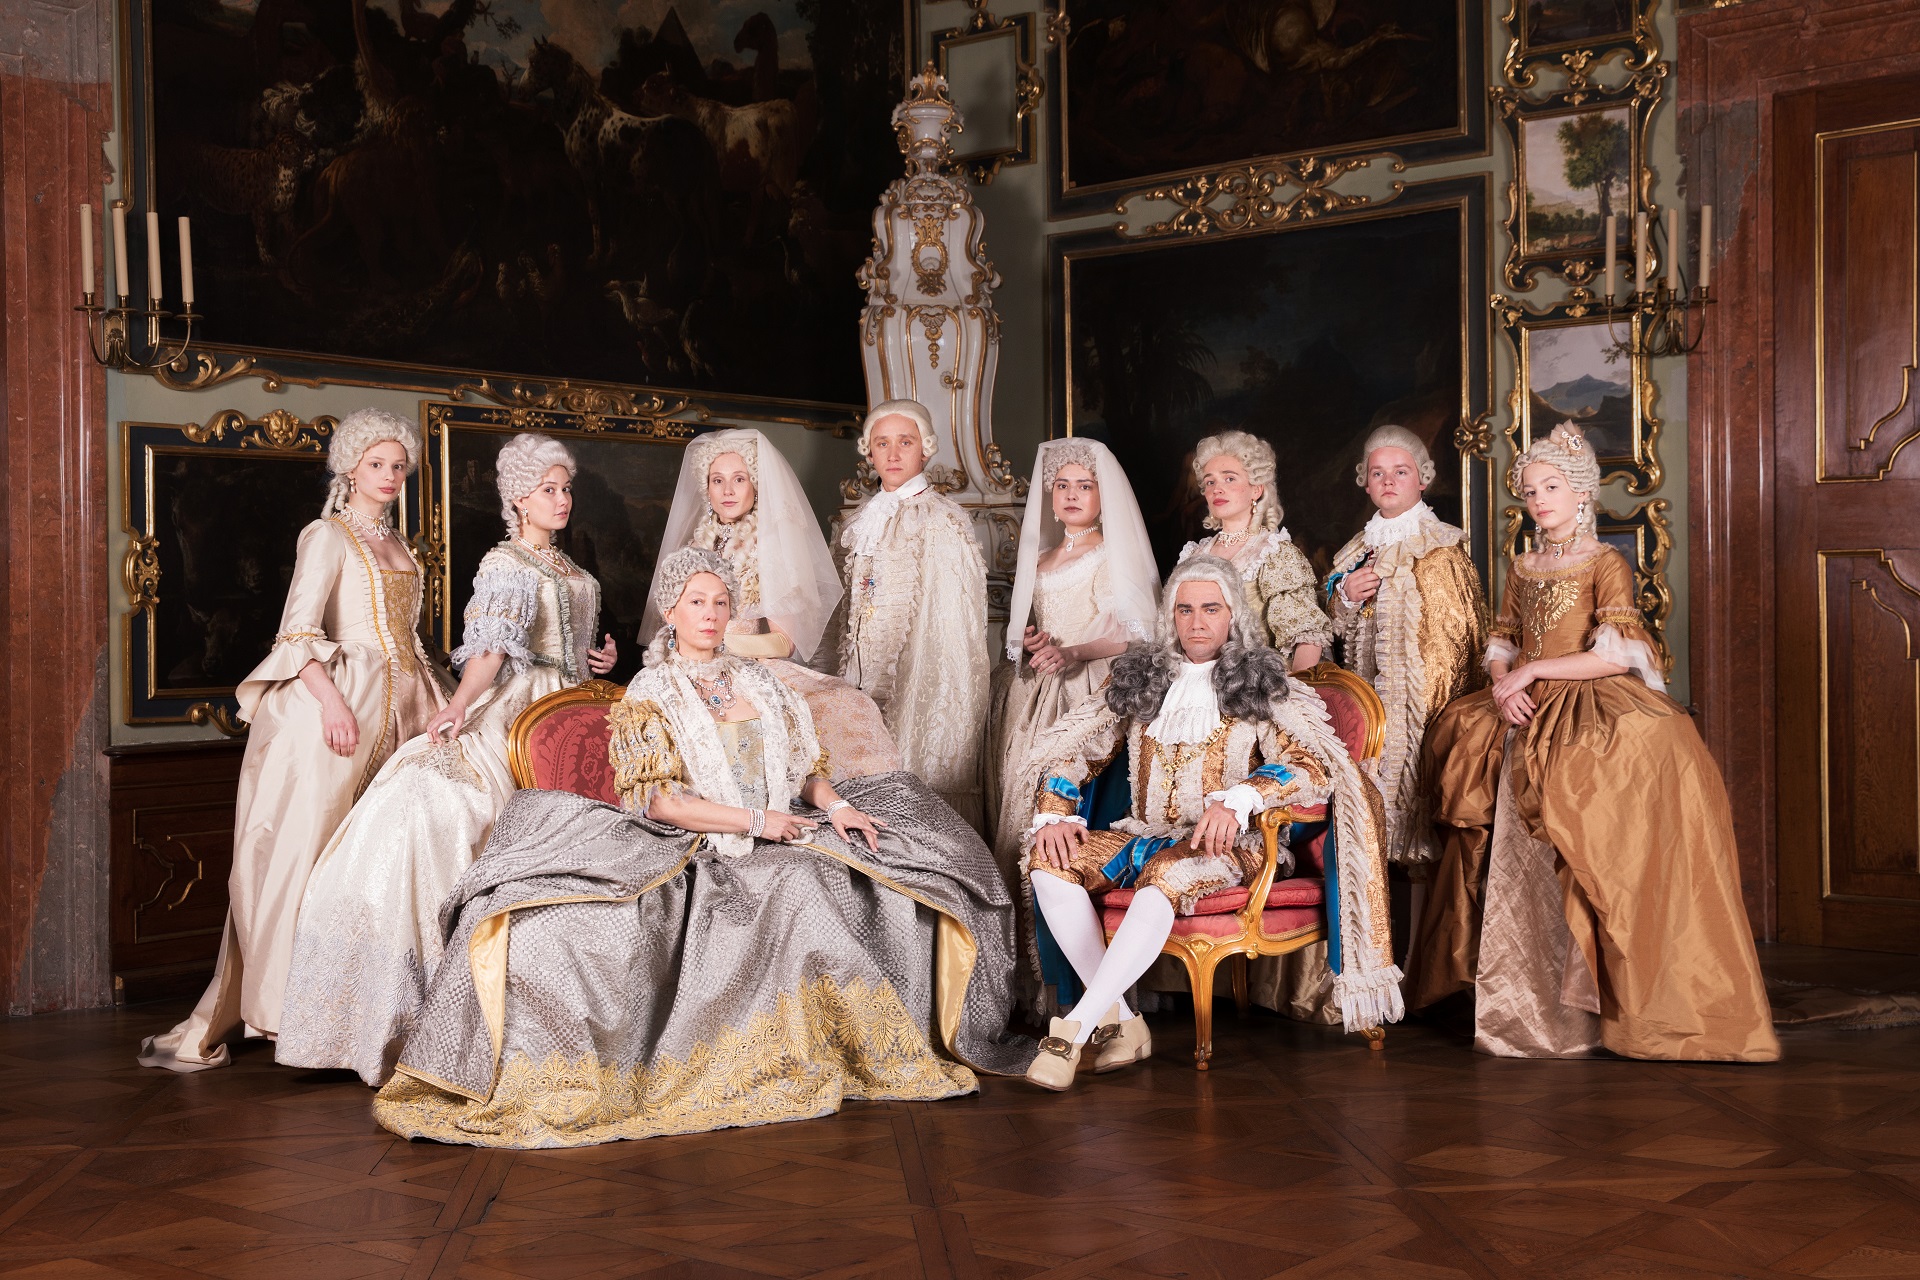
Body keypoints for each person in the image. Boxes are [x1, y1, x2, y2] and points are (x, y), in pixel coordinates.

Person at [371, 549, 1033, 1147]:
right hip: (696, 841)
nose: (711, 614)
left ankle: (863, 1044)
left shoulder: (764, 683)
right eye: (696, 601)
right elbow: (661, 801)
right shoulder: (651, 692)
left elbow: (805, 767)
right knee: (784, 886)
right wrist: (757, 821)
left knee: (903, 862)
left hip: (783, 826)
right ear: (671, 611)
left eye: (720, 602)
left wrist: (837, 807)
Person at [1407, 422, 1779, 1062]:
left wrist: (1533, 672)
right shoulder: (1523, 565)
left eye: (1551, 487)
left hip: (1584, 697)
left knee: (1600, 788)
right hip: (1521, 701)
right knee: (1463, 746)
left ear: (1581, 494)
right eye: (1529, 491)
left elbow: (1615, 656)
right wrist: (1502, 682)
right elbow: (1502, 640)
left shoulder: (1606, 563)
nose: (1538, 500)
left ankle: (1596, 998)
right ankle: (1514, 1000)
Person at [274, 434, 616, 1085]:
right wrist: (459, 706)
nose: (562, 499)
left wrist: (601, 661)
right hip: (522, 708)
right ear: (519, 498)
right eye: (547, 489)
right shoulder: (506, 564)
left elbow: (575, 646)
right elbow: (489, 651)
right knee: (441, 802)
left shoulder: (574, 570)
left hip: (575, 708)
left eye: (566, 488)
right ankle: (420, 1008)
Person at [139, 408, 449, 1071]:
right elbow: (297, 632)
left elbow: (409, 640)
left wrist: (439, 701)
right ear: (350, 469)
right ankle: (289, 1014)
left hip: (405, 706)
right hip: (337, 714)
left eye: (398, 467)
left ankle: (363, 1015)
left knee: (376, 866)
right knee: (307, 861)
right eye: (376, 465)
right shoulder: (328, 536)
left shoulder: (403, 544)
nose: (389, 476)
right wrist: (333, 705)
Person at [1018, 556, 1401, 1090]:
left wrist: (1242, 797)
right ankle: (1123, 1021)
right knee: (1047, 861)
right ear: (1171, 616)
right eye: (1186, 609)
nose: (1197, 622)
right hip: (1145, 836)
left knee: (1166, 879)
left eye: (1211, 609)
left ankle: (1074, 1031)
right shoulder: (1142, 679)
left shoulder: (1263, 682)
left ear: (1232, 615)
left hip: (1234, 844)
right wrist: (1053, 814)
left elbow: (1309, 765)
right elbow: (1075, 749)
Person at [984, 437, 1159, 1006]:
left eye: (1085, 486)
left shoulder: (1112, 554)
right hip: (1038, 693)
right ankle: (1038, 980)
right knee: (1024, 813)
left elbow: (1135, 633)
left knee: (1074, 814)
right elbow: (1038, 629)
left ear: (1104, 496)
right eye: (1063, 486)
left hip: (1092, 690)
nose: (1073, 495)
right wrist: (1038, 642)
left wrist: (1075, 651)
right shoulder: (1039, 561)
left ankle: (1095, 986)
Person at [640, 428, 902, 780]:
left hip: (750, 667)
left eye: (739, 479)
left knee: (838, 705)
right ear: (707, 487)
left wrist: (718, 643)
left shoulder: (774, 548)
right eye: (718, 480)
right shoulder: (693, 545)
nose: (728, 490)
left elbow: (782, 643)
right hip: (688, 665)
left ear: (756, 485)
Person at [821, 399, 991, 825]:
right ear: (869, 452)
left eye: (905, 442)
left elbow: (952, 624)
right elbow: (840, 614)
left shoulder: (942, 520)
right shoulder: (857, 522)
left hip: (915, 680)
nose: (893, 454)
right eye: (882, 443)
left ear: (925, 449)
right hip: (856, 680)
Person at [1325, 425, 1487, 872]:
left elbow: (1457, 645)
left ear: (1422, 479)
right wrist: (1345, 597)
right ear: (1366, 482)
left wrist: (1431, 717)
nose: (1388, 481)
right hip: (1363, 710)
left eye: (1401, 471)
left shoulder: (1441, 549)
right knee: (1367, 836)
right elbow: (1327, 629)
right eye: (1377, 473)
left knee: (1418, 827)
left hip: (1421, 710)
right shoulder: (1355, 551)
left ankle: (1419, 917)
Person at [1177, 430, 1331, 672]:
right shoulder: (1192, 555)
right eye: (1210, 482)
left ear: (1256, 489)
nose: (1217, 489)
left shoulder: (1274, 553)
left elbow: (1307, 637)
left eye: (1229, 479)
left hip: (1255, 685)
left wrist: (1296, 691)